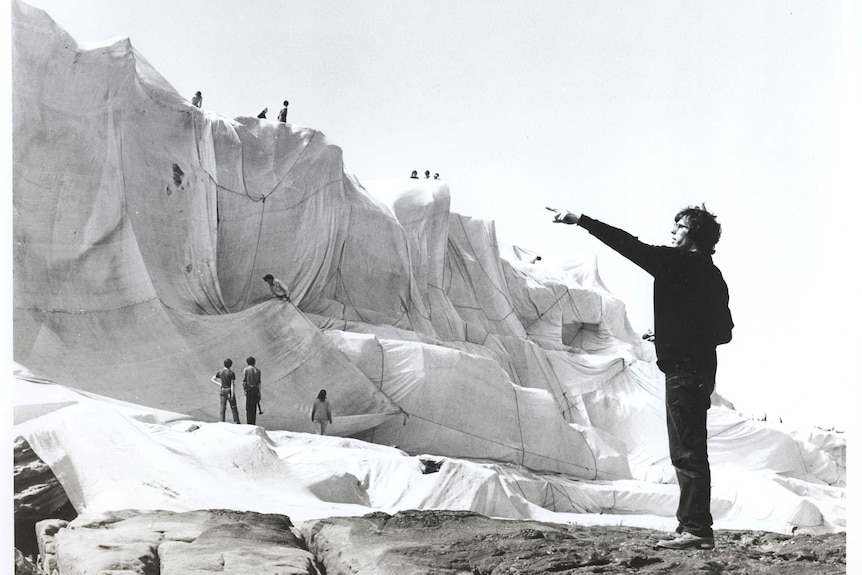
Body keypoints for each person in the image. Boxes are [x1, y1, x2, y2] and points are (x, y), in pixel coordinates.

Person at [552, 204, 733, 550]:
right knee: (691, 446)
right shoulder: (713, 274)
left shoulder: (675, 262)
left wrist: (583, 220)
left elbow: (627, 244)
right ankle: (691, 525)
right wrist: (674, 332)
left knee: (686, 450)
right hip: (701, 371)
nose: (673, 231)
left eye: (679, 226)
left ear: (693, 234)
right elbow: (723, 332)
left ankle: (696, 530)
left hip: (681, 370)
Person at [210, 359, 240, 423]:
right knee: (233, 407)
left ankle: (222, 420)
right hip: (229, 390)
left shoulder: (220, 371)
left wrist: (219, 384)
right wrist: (232, 393)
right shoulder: (231, 373)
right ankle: (236, 421)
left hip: (222, 390)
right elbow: (232, 384)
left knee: (223, 407)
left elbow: (212, 379)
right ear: (230, 365)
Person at [242, 357, 262, 425]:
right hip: (256, 390)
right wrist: (259, 392)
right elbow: (259, 383)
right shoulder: (258, 371)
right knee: (254, 408)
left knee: (248, 408)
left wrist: (244, 389)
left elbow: (244, 381)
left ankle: (249, 423)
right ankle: (253, 423)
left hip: (249, 390)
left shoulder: (246, 370)